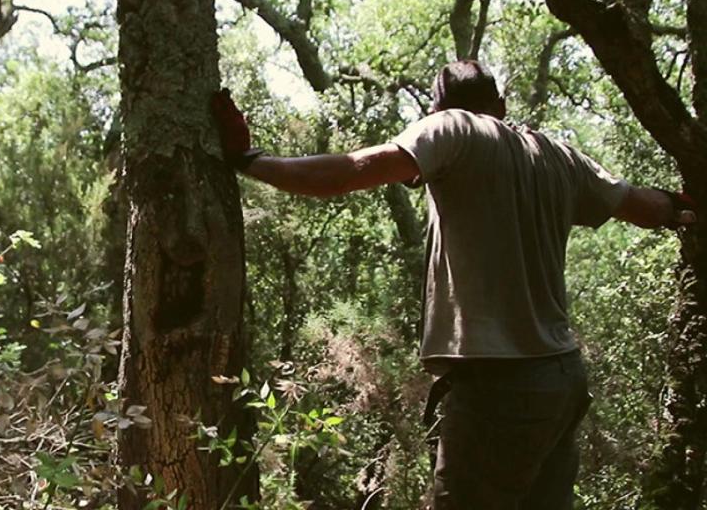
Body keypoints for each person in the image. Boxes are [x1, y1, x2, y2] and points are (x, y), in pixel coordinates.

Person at [210, 60, 696, 509]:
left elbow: (348, 172)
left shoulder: (452, 129)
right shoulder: (558, 154)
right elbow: (644, 206)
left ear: (436, 110)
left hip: (496, 387)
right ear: (501, 107)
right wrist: (684, 205)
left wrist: (250, 160)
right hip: (562, 380)